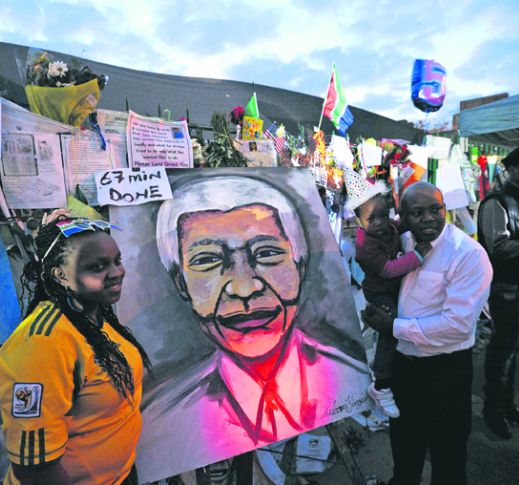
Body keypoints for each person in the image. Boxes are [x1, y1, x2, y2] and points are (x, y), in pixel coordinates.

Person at [139, 175, 371, 478]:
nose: (244, 287)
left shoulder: (347, 376)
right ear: (181, 283)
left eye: (267, 253)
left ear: (300, 266)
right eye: (208, 260)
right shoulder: (165, 419)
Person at [0, 214, 151, 485]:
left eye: (116, 260)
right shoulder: (41, 347)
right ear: (61, 275)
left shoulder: (93, 316)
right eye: (98, 266)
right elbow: (34, 470)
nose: (117, 272)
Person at [362, 182, 492, 485]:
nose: (429, 218)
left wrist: (392, 326)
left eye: (436, 209)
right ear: (403, 216)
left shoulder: (468, 254)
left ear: (445, 209)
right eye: (417, 212)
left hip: (445, 372)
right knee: (405, 451)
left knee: (447, 459)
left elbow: (457, 325)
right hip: (404, 368)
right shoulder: (401, 242)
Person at [344, 173, 432, 418]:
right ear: (358, 220)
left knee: (403, 325)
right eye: (372, 219)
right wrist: (417, 256)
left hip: (394, 288)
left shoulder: (387, 226)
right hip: (380, 293)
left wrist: (419, 221)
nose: (381, 223)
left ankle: (396, 369)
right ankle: (381, 384)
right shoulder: (366, 247)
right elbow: (388, 269)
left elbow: (399, 224)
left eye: (384, 215)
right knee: (390, 330)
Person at [477, 142, 519, 439]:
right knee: (502, 349)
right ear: (512, 168)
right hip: (506, 288)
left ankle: (507, 404)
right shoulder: (497, 201)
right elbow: (497, 246)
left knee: (514, 349)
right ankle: (493, 409)